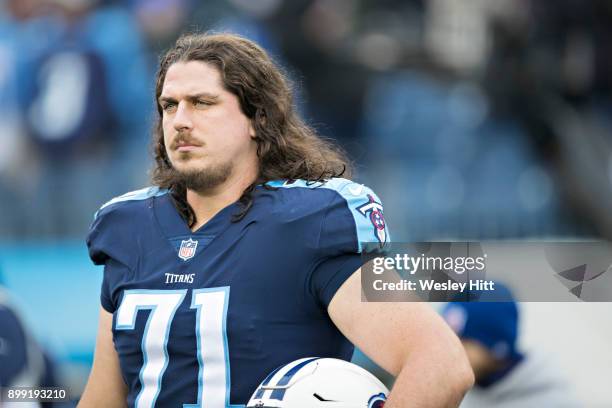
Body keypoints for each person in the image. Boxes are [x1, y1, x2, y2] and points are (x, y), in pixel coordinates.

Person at [78, 32, 473, 407]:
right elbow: (104, 397)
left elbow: (440, 363)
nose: (180, 120)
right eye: (169, 105)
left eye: (202, 102)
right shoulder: (127, 227)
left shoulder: (310, 222)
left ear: (258, 118)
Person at [442, 285, 580, 407]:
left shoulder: (556, 402)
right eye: (447, 339)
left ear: (495, 347)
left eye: (463, 340)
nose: (451, 351)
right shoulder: (458, 393)